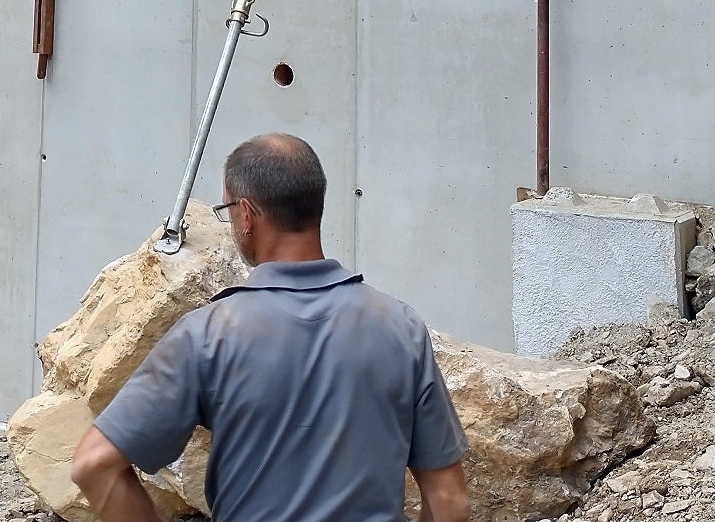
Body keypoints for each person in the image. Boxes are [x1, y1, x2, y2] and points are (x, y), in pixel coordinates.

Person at [71, 134, 469, 522]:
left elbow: (95, 465)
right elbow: (449, 502)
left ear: (246, 214)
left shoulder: (207, 335)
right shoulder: (401, 328)